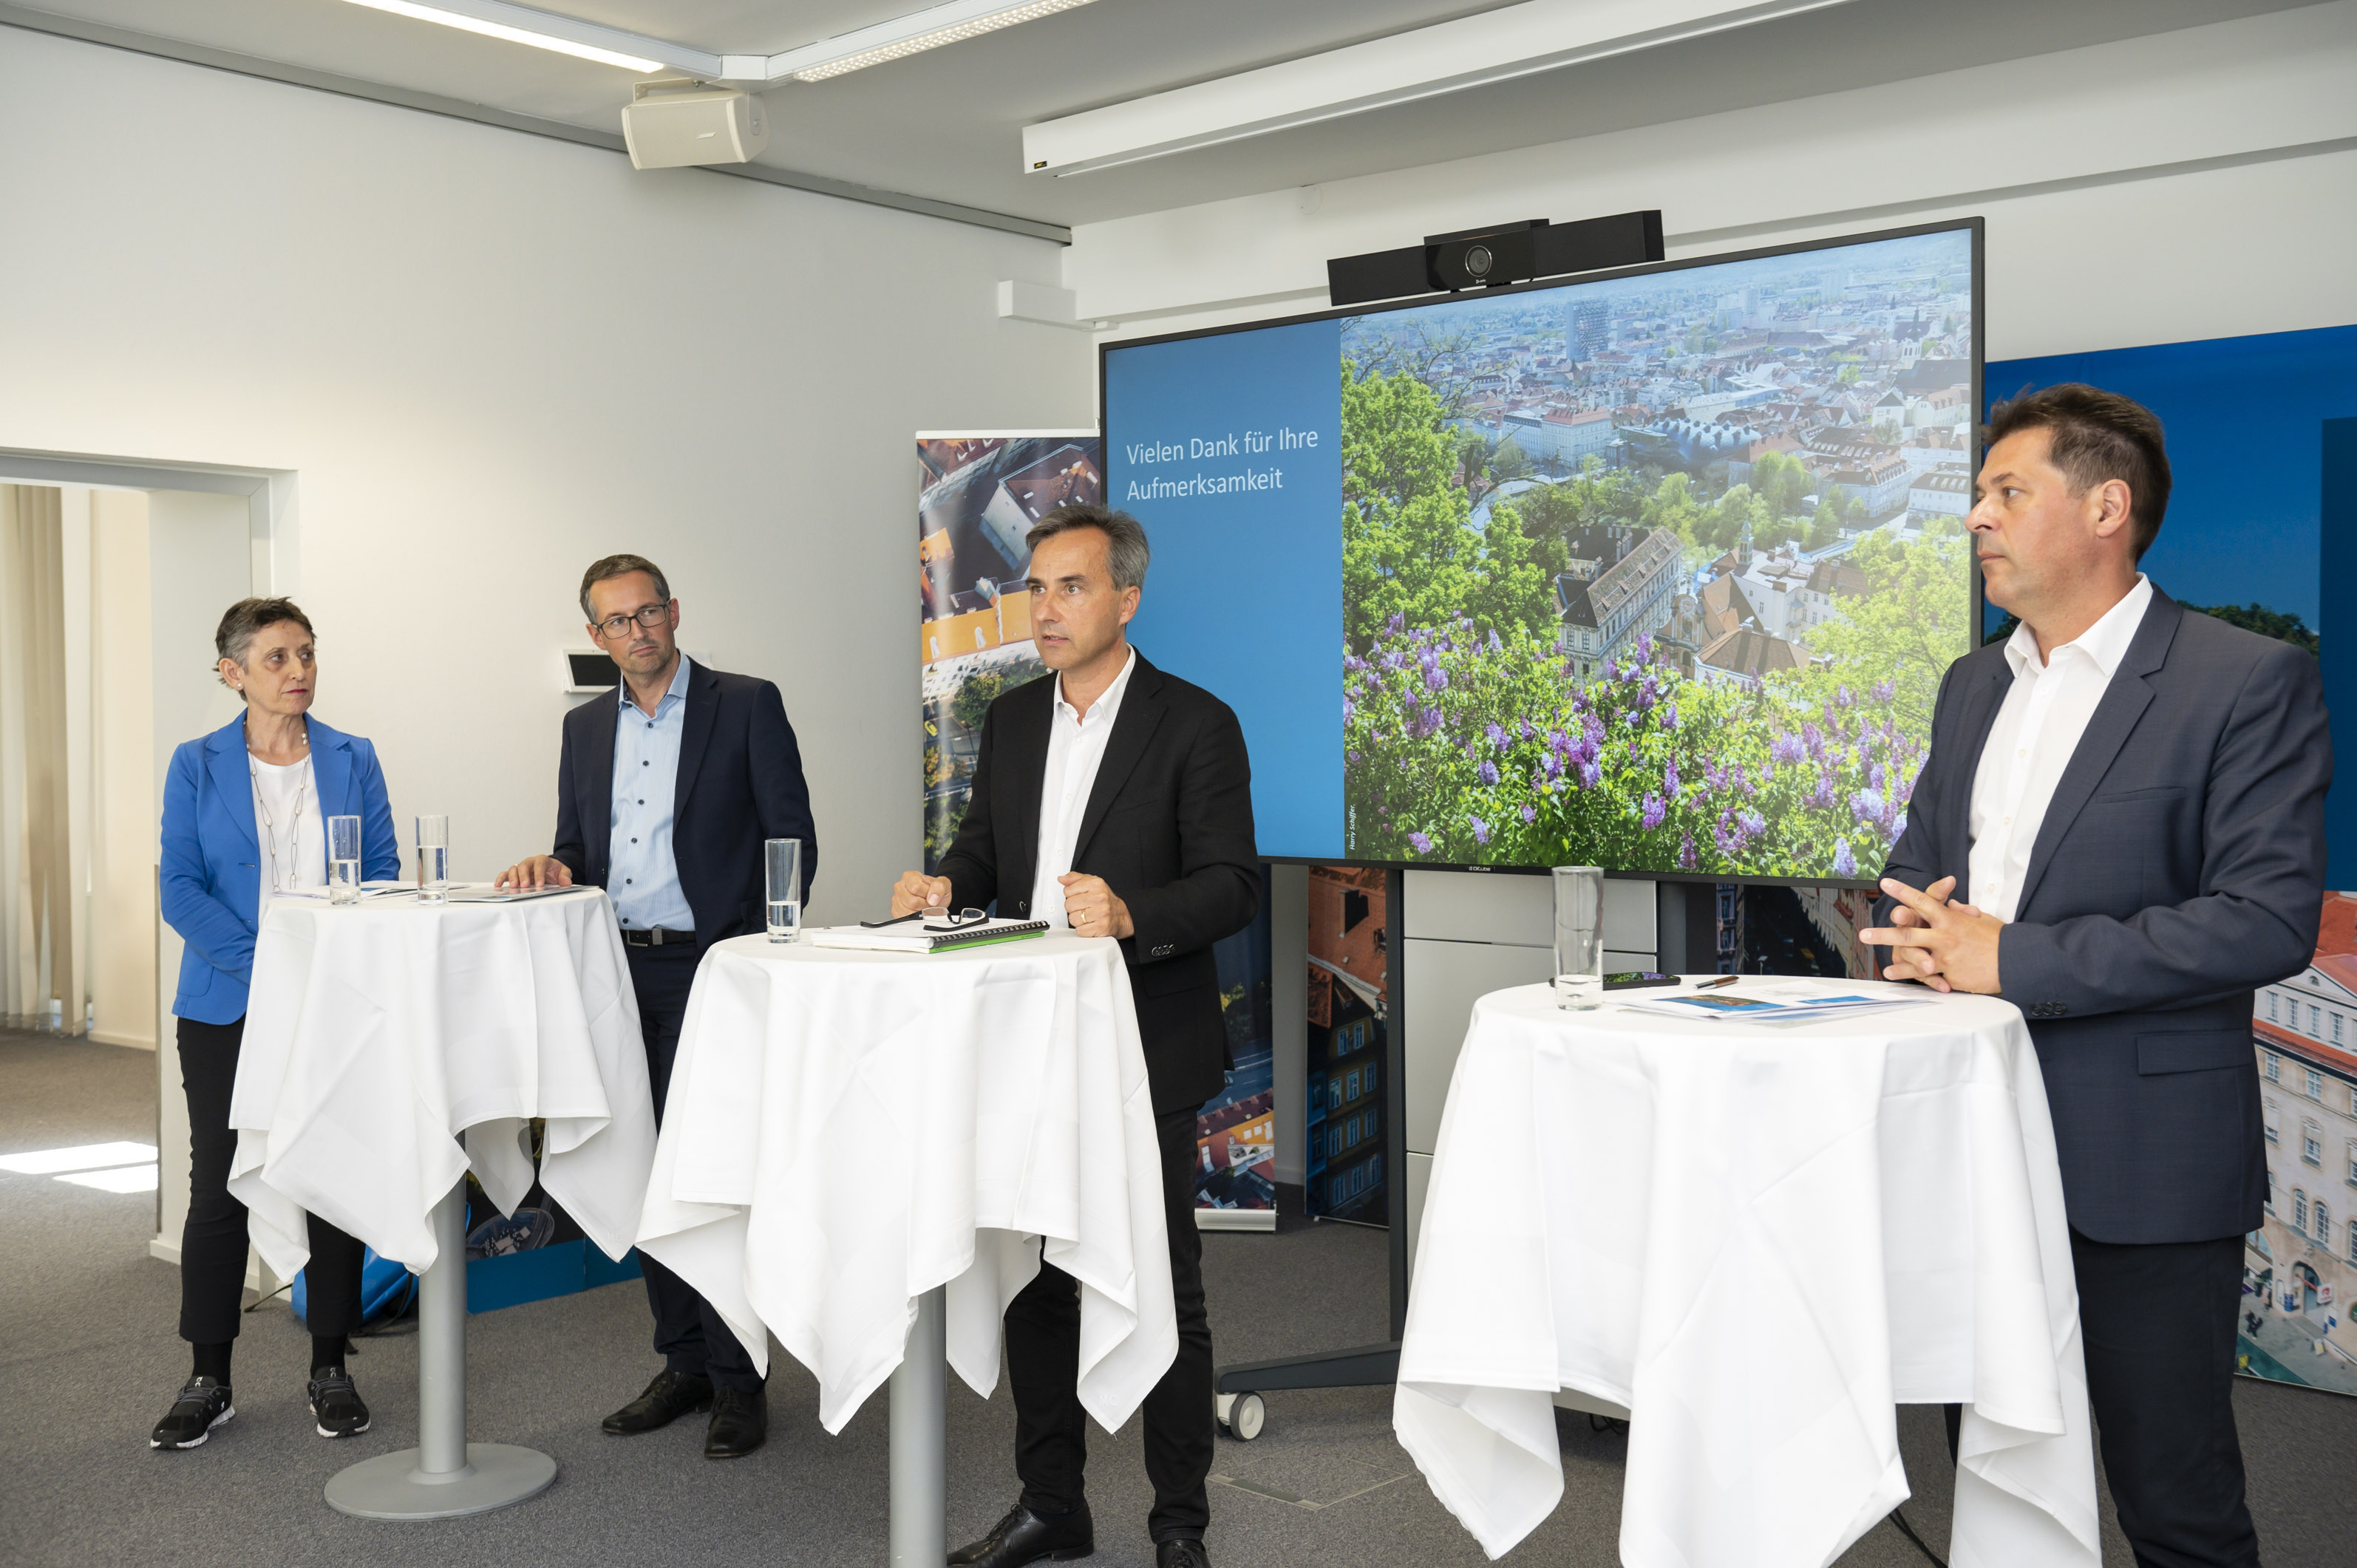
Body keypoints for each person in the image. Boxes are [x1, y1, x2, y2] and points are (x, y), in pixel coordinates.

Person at [1861, 384, 2330, 1568]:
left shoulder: (2244, 678)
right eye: (1979, 494)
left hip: (2142, 1157)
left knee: (2172, 1496)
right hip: (1969, 1144)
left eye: (2006, 492)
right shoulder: (1971, 683)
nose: (1976, 516)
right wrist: (1912, 926)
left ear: (2107, 506)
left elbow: (2264, 920)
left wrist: (2007, 956)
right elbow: (1915, 869)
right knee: (2000, 1481)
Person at [888, 505, 1258, 1568]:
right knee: (1036, 1278)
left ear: (1126, 600)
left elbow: (1233, 882)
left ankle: (1178, 1521)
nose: (1042, 609)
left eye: (1070, 588)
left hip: (1145, 1041)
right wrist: (941, 884)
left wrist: (1136, 911)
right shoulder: (1007, 721)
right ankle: (1051, 1503)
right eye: (1036, 587)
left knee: (1161, 1280)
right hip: (1021, 1044)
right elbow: (983, 854)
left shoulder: (1195, 722)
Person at [496, 553, 816, 1460]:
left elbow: (792, 838)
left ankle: (737, 1378)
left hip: (712, 969)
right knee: (639, 1167)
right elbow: (575, 850)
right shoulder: (584, 728)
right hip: (613, 974)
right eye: (617, 621)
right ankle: (681, 1362)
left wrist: (754, 954)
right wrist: (550, 866)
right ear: (596, 636)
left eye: (649, 613)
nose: (637, 632)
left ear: (675, 613)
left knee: (708, 1173)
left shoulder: (746, 703)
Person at [153, 598, 401, 1450]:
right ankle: (207, 1377)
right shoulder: (196, 764)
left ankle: (331, 1364)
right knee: (219, 1186)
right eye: (276, 659)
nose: (298, 671)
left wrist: (319, 973)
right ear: (233, 673)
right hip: (228, 1004)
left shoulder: (353, 756)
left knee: (332, 1176)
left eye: (307, 654)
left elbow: (381, 875)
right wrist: (270, 968)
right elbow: (178, 888)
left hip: (335, 1002)